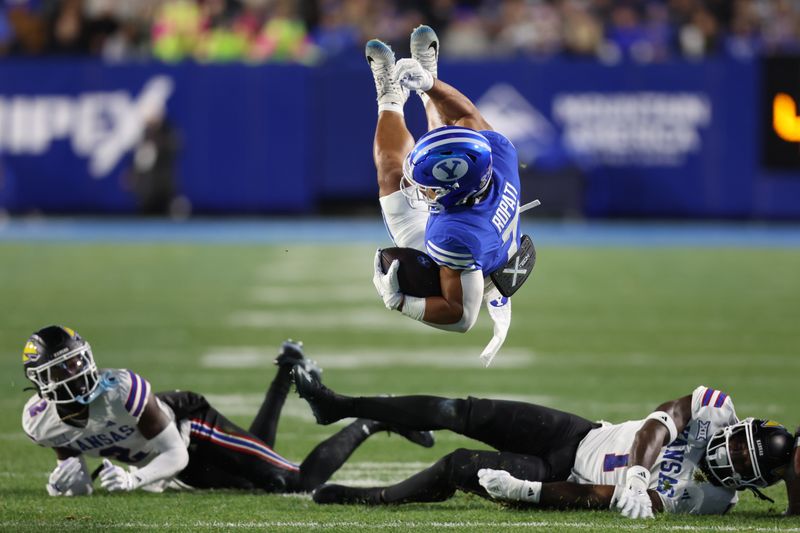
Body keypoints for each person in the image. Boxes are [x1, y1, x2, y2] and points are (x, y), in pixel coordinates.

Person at [293, 364, 800, 517]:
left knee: (459, 466)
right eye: (739, 441)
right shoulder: (717, 409)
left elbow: (604, 497)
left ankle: (370, 499)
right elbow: (662, 420)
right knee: (462, 411)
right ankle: (340, 405)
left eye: (739, 459)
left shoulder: (713, 499)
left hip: (563, 475)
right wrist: (640, 470)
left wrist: (531, 494)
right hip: (580, 432)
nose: (729, 449)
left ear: (747, 479)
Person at [21, 325, 433, 495]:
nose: (80, 371)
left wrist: (134, 479)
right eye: (66, 368)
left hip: (189, 428)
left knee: (292, 481)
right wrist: (71, 482)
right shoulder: (42, 423)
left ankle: (376, 417)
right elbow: (72, 455)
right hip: (174, 461)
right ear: (42, 380)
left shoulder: (123, 391)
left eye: (80, 360)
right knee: (256, 475)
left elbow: (174, 454)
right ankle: (288, 370)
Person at [367, 26, 531, 366]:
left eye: (427, 187)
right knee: (447, 134)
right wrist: (430, 84)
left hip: (474, 267)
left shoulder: (451, 237)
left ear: (448, 196)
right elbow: (467, 115)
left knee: (392, 175)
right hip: (476, 224)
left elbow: (461, 316)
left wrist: (401, 303)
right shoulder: (496, 154)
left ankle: (389, 98)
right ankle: (420, 84)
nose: (421, 189)